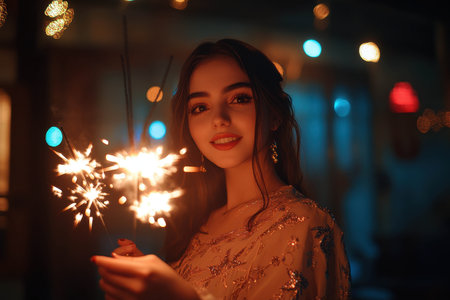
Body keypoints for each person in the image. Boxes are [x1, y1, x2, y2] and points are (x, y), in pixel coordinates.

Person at [92, 39, 351, 299]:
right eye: (200, 107)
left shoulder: (307, 225)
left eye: (239, 98)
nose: (218, 119)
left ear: (275, 114)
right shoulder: (197, 223)